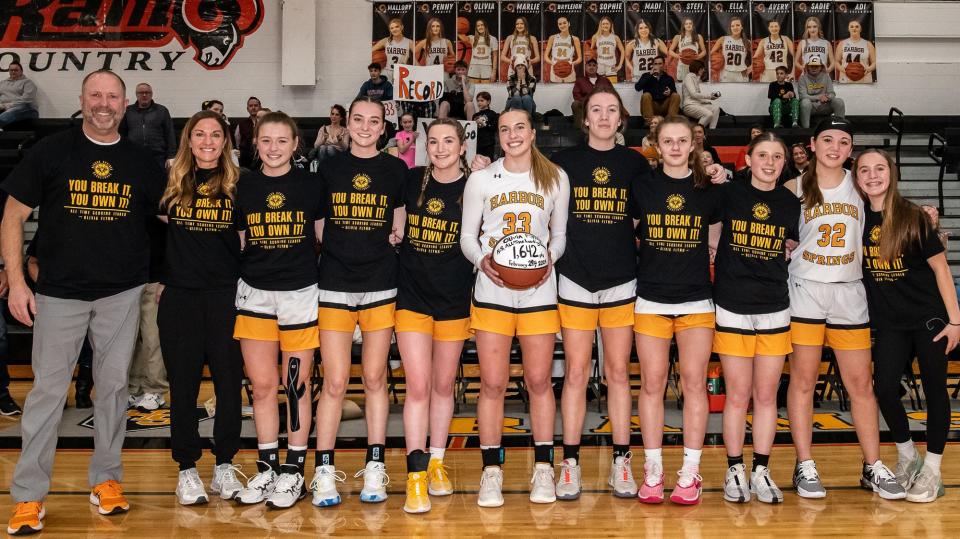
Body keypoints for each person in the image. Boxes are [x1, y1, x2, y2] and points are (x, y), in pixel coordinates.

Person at [3, 70, 165, 535]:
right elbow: (12, 215)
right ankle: (29, 497)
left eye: (112, 96)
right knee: (47, 395)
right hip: (58, 293)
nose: (104, 103)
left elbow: (170, 218)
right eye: (96, 94)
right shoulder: (51, 151)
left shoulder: (142, 162)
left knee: (113, 391)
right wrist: (17, 282)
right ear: (82, 99)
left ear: (125, 104)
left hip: (121, 294)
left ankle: (107, 481)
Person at [781, 117, 904, 501]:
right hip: (805, 290)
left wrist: (927, 217)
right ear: (813, 144)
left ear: (851, 148)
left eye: (844, 142)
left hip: (850, 291)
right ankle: (804, 463)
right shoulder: (792, 188)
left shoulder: (860, 184)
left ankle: (872, 464)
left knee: (861, 385)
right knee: (803, 382)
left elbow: (894, 208)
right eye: (829, 139)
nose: (836, 147)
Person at [461, 107, 569, 508]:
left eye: (519, 127)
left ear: (532, 132)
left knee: (539, 381)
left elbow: (559, 237)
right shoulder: (481, 179)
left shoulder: (555, 177)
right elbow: (467, 237)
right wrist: (482, 262)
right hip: (492, 291)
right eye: (504, 129)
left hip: (539, 292)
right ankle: (491, 470)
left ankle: (544, 468)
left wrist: (548, 262)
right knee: (492, 383)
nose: (512, 135)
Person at [551, 87, 651, 500]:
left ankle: (621, 462)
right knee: (575, 373)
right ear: (586, 119)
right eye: (597, 110)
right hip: (575, 276)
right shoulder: (563, 164)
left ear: (621, 118)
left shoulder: (635, 164)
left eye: (612, 110)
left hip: (621, 279)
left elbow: (656, 213)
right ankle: (570, 463)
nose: (605, 116)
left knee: (617, 374)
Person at [311, 97, 407, 507]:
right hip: (334, 283)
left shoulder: (394, 169)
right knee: (333, 382)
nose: (366, 127)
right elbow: (319, 226)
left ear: (383, 129)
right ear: (346, 124)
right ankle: (324, 470)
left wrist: (394, 237)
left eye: (373, 121)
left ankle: (374, 465)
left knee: (374, 379)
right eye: (358, 120)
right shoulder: (329, 167)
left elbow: (399, 217)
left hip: (381, 283)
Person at [231, 111, 322, 509]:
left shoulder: (311, 185)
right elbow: (238, 242)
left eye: (281, 141)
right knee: (263, 386)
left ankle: (294, 471)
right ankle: (267, 467)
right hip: (254, 294)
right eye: (266, 141)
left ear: (295, 144)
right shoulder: (242, 187)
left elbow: (323, 238)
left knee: (296, 385)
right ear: (256, 144)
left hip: (300, 294)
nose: (273, 148)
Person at [855, 149, 955, 503]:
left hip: (928, 319)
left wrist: (956, 321)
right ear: (857, 177)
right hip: (890, 323)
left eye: (879, 168)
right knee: (882, 387)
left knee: (935, 392)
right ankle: (908, 455)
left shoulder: (913, 216)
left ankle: (933, 469)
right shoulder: (856, 218)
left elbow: (942, 269)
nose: (872, 175)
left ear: (891, 173)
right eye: (864, 170)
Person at [156, 110, 244, 505]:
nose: (207, 141)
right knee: (184, 387)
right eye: (199, 134)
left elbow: (249, 242)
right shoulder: (170, 183)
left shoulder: (241, 185)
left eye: (215, 135)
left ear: (225, 142)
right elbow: (153, 237)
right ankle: (187, 469)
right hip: (181, 298)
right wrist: (161, 277)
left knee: (229, 386)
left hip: (226, 297)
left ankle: (224, 465)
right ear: (188, 140)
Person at [633, 116, 720, 505]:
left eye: (682, 140)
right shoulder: (642, 185)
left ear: (693, 145)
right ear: (656, 143)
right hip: (651, 297)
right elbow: (634, 233)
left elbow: (714, 246)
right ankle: (653, 469)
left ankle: (690, 471)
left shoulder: (709, 189)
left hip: (696, 300)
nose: (675, 147)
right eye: (667, 140)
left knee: (693, 384)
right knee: (651, 384)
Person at [712, 133, 800, 505]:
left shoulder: (789, 202)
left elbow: (788, 247)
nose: (769, 162)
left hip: (774, 305)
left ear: (784, 163)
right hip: (732, 303)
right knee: (737, 395)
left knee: (766, 396)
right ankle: (734, 469)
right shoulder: (728, 194)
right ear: (747, 160)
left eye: (777, 156)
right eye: (762, 155)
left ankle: (760, 469)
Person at [398, 119, 475, 514]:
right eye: (434, 142)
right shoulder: (411, 181)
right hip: (412, 297)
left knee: (444, 387)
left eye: (449, 141)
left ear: (463, 147)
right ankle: (415, 476)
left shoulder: (476, 184)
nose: (441, 148)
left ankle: (438, 462)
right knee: (418, 387)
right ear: (425, 146)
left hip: (454, 298)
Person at [119, 83, 176, 170]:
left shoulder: (162, 110)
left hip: (158, 157)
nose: (144, 95)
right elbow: (121, 133)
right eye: (141, 93)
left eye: (147, 92)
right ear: (136, 94)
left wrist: (172, 155)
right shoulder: (128, 111)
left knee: (158, 182)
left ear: (151, 94)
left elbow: (170, 133)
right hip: (134, 156)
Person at [797, 57, 845, 128]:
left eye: (816, 66)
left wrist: (827, 97)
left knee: (839, 101)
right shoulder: (802, 78)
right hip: (811, 106)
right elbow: (803, 96)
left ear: (821, 67)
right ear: (808, 67)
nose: (814, 68)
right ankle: (806, 129)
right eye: (811, 66)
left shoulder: (826, 77)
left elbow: (832, 93)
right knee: (805, 102)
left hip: (824, 106)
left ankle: (839, 128)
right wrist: (819, 97)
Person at [634, 56, 680, 125]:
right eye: (655, 64)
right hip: (652, 106)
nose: (657, 66)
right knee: (646, 95)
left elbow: (674, 93)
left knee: (676, 96)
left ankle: (670, 122)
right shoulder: (646, 75)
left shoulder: (669, 78)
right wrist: (650, 75)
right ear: (653, 65)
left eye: (660, 64)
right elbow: (637, 88)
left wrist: (670, 92)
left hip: (664, 106)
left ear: (664, 65)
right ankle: (650, 122)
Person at [571, 59, 613, 126]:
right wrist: (588, 102)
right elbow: (576, 95)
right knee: (575, 104)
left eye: (594, 65)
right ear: (586, 67)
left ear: (597, 67)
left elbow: (612, 94)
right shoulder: (580, 81)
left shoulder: (604, 80)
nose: (591, 67)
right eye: (589, 65)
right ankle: (581, 129)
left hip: (603, 105)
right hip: (586, 105)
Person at [709, 17, 751, 82]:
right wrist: (714, 68)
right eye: (732, 26)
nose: (735, 27)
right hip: (726, 73)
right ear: (730, 28)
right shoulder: (723, 39)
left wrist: (750, 68)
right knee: (725, 92)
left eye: (738, 25)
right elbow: (710, 55)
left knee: (742, 92)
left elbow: (757, 57)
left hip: (741, 73)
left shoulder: (747, 42)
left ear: (742, 27)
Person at [372, 18, 413, 82]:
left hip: (402, 73)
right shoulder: (385, 41)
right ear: (390, 30)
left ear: (402, 27)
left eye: (397, 27)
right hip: (388, 72)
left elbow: (416, 58)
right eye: (392, 28)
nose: (394, 29)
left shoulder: (409, 42)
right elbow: (370, 50)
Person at [681, 60, 720, 129]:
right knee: (708, 114)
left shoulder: (695, 78)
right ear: (697, 68)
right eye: (702, 68)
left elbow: (696, 96)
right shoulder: (689, 77)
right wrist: (709, 96)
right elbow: (693, 94)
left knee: (716, 109)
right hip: (689, 106)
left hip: (697, 104)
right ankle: (696, 132)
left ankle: (712, 131)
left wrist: (706, 101)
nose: (703, 70)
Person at [836, 20, 876, 84]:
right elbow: (836, 61)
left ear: (860, 29)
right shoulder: (842, 43)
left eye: (857, 27)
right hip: (846, 78)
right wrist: (842, 69)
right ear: (848, 29)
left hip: (864, 79)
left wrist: (869, 69)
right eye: (851, 27)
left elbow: (875, 62)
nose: (854, 28)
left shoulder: (868, 44)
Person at [544, 16, 582, 83]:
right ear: (558, 25)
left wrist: (572, 63)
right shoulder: (552, 38)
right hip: (555, 68)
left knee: (569, 92)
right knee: (556, 92)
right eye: (560, 24)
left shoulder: (575, 39)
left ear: (569, 24)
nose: (562, 25)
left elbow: (580, 58)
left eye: (564, 23)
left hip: (569, 68)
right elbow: (546, 56)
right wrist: (553, 63)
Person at [0, 62, 38, 127]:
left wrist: (8, 105)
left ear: (21, 71)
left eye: (16, 70)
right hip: (5, 108)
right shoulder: (2, 83)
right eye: (11, 70)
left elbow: (26, 99)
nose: (13, 72)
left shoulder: (27, 82)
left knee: (10, 112)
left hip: (26, 108)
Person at [668, 18, 706, 83]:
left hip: (694, 65)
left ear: (693, 26)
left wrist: (698, 56)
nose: (688, 25)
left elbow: (704, 51)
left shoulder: (698, 37)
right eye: (686, 24)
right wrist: (677, 56)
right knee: (682, 84)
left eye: (690, 23)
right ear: (683, 26)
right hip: (682, 65)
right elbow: (670, 51)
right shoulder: (678, 37)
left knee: (694, 84)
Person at [590, 16, 625, 83]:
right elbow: (591, 52)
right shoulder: (595, 37)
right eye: (603, 24)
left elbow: (622, 51)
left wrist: (620, 65)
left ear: (610, 25)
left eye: (607, 24)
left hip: (611, 66)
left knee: (612, 88)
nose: (605, 25)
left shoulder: (615, 37)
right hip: (600, 66)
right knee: (600, 88)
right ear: (600, 25)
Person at [233, 96, 261, 168]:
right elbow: (237, 141)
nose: (253, 108)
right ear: (247, 109)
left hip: (261, 159)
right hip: (245, 161)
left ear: (260, 107)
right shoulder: (241, 124)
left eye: (256, 105)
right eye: (251, 106)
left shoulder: (265, 123)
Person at [473, 91, 499, 160]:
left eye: (482, 100)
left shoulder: (493, 114)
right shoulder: (475, 115)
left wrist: (484, 123)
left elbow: (494, 127)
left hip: (489, 144)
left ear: (488, 101)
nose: (479, 103)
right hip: (477, 144)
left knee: (488, 163)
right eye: (478, 101)